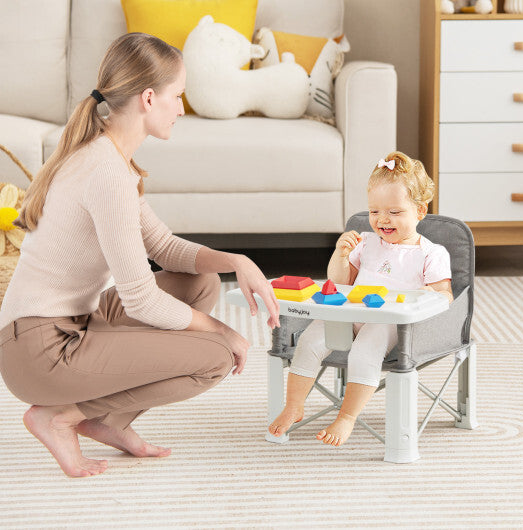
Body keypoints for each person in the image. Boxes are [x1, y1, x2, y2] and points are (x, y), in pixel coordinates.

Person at [0, 33, 279, 478]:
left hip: (70, 323)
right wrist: (225, 332)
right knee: (213, 358)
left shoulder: (109, 160)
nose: (182, 109)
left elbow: (165, 248)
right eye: (178, 96)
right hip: (41, 349)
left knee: (201, 283)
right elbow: (141, 300)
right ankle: (62, 415)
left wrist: (236, 261)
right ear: (149, 98)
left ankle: (108, 423)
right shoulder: (106, 173)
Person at [268, 151, 453, 447]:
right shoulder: (366, 243)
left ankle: (346, 417)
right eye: (375, 211)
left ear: (419, 211)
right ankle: (294, 405)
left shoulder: (431, 253)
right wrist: (340, 254)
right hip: (350, 313)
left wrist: (430, 294)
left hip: (389, 323)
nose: (382, 220)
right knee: (310, 340)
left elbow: (445, 295)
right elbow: (339, 283)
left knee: (365, 352)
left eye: (394, 212)